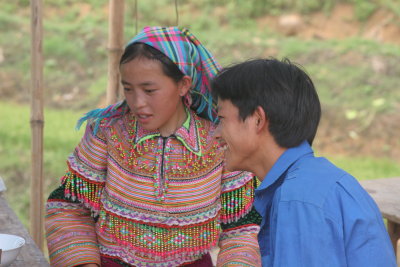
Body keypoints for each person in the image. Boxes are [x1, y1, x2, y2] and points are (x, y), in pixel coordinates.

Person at [45, 26, 262, 267]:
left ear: (183, 85)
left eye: (149, 90)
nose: (138, 102)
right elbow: (69, 208)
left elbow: (241, 227)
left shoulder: (219, 140)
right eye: (128, 89)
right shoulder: (107, 132)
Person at [211, 58, 397, 266]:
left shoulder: (298, 199)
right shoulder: (309, 181)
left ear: (257, 120)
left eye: (221, 119)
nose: (215, 134)